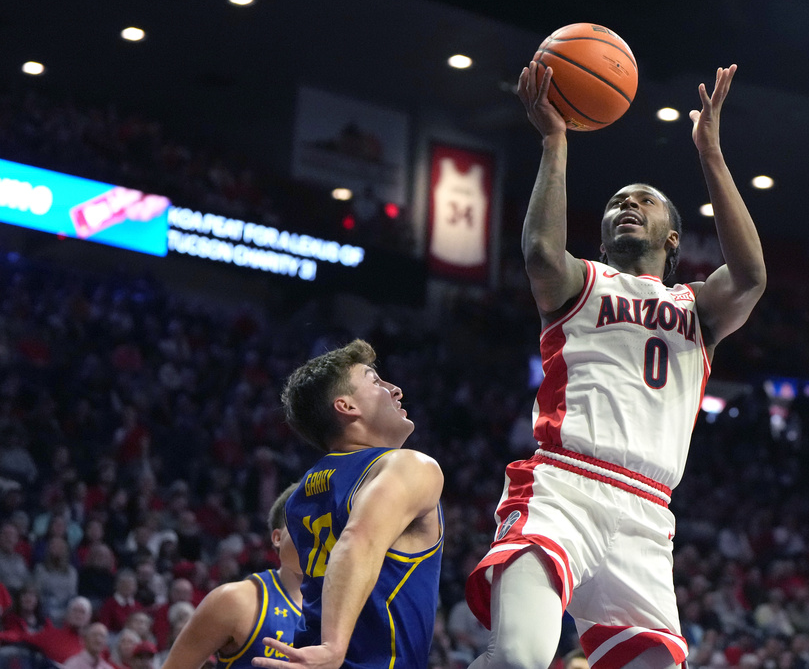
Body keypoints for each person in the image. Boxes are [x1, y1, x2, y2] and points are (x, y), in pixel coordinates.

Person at [465, 63, 766, 669]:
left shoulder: (698, 309)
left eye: (645, 202)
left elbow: (752, 276)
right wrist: (555, 141)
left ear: (674, 237)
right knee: (522, 658)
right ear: (601, 237)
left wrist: (710, 153)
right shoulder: (582, 281)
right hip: (564, 485)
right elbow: (540, 252)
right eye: (617, 202)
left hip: (648, 515)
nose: (628, 204)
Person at [252, 339, 444, 669]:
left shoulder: (301, 495)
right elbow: (357, 542)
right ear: (346, 406)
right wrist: (333, 646)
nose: (395, 389)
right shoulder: (407, 465)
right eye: (375, 381)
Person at [161, 484, 303, 669]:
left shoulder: (348, 610)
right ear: (277, 538)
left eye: (325, 525)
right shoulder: (234, 600)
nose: (315, 534)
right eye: (302, 523)